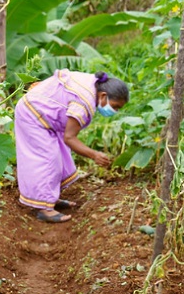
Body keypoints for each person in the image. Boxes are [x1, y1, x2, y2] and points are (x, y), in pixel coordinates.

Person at [14, 69, 129, 223]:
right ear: (103, 96)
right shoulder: (83, 103)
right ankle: (45, 209)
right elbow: (69, 138)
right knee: (48, 160)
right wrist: (94, 155)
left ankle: (50, 199)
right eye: (115, 106)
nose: (115, 111)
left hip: (45, 114)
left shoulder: (93, 84)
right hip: (32, 114)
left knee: (60, 156)